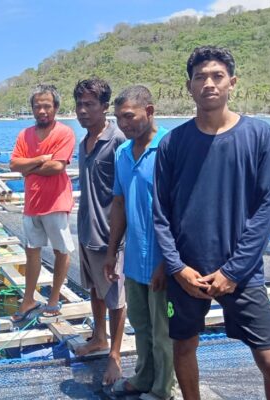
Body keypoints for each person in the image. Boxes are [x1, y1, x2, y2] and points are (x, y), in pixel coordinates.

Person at [153, 46, 270, 400]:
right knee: (183, 349)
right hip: (186, 272)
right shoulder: (173, 143)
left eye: (217, 76)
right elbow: (161, 213)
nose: (209, 84)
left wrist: (233, 271)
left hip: (242, 272)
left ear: (232, 82)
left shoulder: (260, 137)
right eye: (200, 77)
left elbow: (265, 210)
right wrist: (177, 268)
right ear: (189, 87)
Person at [106, 85, 175, 400]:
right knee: (141, 325)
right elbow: (119, 204)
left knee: (164, 332)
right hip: (134, 258)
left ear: (150, 111)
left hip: (164, 258)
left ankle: (163, 389)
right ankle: (144, 376)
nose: (124, 124)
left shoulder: (171, 147)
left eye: (130, 116)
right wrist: (112, 253)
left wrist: (168, 261)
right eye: (119, 118)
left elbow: (182, 209)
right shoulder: (122, 153)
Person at [72, 78, 127, 385]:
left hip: (110, 236)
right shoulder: (84, 142)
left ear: (105, 107)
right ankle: (99, 337)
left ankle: (115, 356)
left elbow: (123, 194)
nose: (82, 111)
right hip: (86, 230)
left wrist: (117, 241)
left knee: (116, 297)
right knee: (94, 288)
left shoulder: (118, 140)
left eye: (89, 104)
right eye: (79, 104)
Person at [9, 84, 76, 322]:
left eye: (47, 106)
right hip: (32, 204)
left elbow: (57, 166)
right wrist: (39, 160)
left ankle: (54, 298)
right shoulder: (24, 135)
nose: (42, 111)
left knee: (61, 251)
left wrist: (29, 168)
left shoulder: (65, 133)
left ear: (56, 107)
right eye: (37, 106)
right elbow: (14, 165)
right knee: (32, 252)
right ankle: (28, 300)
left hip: (56, 202)